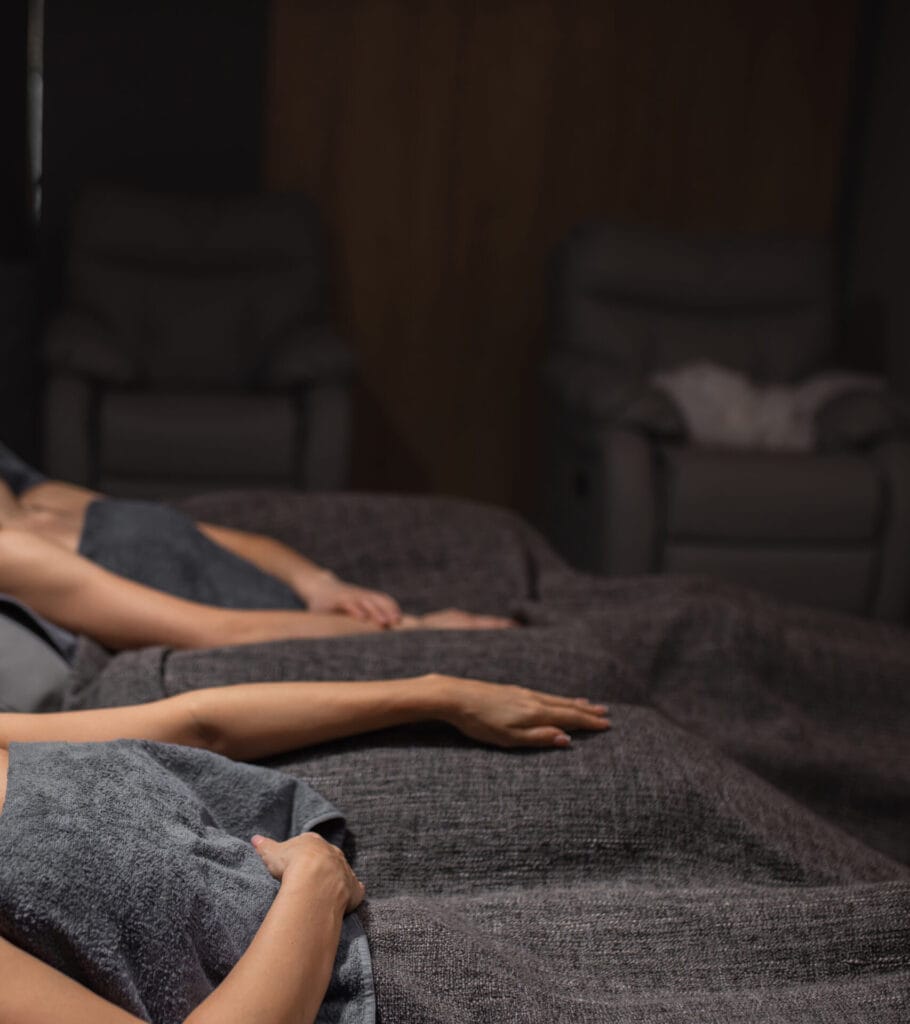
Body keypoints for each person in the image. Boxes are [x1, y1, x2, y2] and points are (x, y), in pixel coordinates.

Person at [0, 670, 610, 1024]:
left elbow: (196, 723)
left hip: (350, 886)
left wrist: (438, 694)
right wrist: (315, 885)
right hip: (365, 986)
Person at [0, 442, 513, 653]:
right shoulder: (13, 553)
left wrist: (319, 582)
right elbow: (213, 632)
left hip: (310, 611)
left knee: (493, 541)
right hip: (269, 648)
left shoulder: (42, 497)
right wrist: (412, 630)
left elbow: (218, 538)